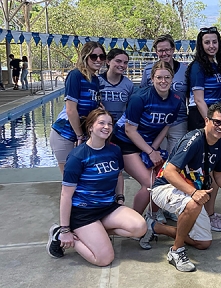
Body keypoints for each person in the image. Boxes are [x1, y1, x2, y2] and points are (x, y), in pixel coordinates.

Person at [144, 103, 221, 272]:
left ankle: (155, 227)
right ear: (207, 120)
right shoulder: (194, 139)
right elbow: (169, 172)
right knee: (193, 203)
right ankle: (176, 251)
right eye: (217, 122)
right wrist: (193, 192)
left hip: (189, 193)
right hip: (165, 188)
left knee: (203, 243)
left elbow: (219, 174)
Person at [46, 108, 147, 265]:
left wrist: (120, 198)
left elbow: (119, 175)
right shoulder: (77, 156)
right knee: (104, 259)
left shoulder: (114, 150)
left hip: (107, 207)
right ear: (90, 127)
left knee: (139, 227)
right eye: (101, 123)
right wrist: (65, 229)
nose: (106, 127)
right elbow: (66, 195)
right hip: (83, 213)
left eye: (110, 124)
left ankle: (95, 233)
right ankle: (60, 234)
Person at [112, 61, 182, 223]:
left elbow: (165, 127)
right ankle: (134, 222)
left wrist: (154, 149)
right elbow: (129, 130)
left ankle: (153, 216)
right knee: (150, 183)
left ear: (172, 79)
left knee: (162, 180)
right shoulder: (139, 98)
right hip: (126, 143)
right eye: (159, 77)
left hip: (148, 143)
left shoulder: (176, 100)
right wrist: (150, 152)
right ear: (152, 79)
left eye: (167, 77)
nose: (163, 81)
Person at [186, 27, 221, 232]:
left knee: (213, 169)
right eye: (207, 42)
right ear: (200, 46)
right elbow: (199, 99)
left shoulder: (217, 65)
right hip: (202, 118)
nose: (211, 46)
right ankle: (204, 214)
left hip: (216, 119)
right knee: (202, 170)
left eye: (214, 42)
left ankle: (208, 213)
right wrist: (210, 122)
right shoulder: (197, 67)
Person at [51, 42, 105, 173]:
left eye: (101, 57)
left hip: (82, 134)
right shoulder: (75, 75)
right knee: (70, 179)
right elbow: (71, 110)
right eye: (93, 56)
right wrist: (79, 136)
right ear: (85, 57)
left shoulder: (95, 80)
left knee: (84, 177)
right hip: (65, 134)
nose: (98, 60)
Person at [141, 35, 189, 154]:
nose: (164, 53)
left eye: (167, 49)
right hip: (155, 121)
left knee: (176, 158)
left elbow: (190, 95)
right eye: (161, 50)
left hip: (179, 120)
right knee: (157, 158)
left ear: (173, 49)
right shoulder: (148, 70)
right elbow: (143, 95)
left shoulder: (185, 70)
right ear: (156, 52)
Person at [99, 49, 134, 123]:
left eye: (125, 63)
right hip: (101, 125)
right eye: (118, 61)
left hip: (120, 126)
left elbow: (130, 109)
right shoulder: (97, 81)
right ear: (108, 61)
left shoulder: (129, 84)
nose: (122, 65)